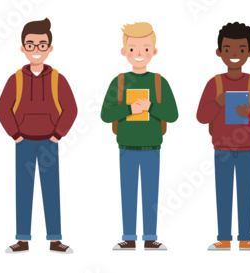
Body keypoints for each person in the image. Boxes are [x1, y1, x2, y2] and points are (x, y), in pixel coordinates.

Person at [0, 18, 78, 254]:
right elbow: (2, 109)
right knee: (23, 189)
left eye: (42, 45)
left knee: (51, 189)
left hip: (48, 143)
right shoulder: (15, 80)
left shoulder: (57, 79)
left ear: (49, 48)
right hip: (23, 142)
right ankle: (22, 239)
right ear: (23, 48)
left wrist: (57, 135)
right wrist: (15, 134)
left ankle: (55, 239)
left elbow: (71, 109)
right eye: (30, 45)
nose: (36, 50)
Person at [100, 22, 178, 251]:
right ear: (125, 52)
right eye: (133, 49)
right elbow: (106, 114)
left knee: (151, 194)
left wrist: (151, 106)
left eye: (145, 49)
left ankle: (150, 237)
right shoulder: (120, 82)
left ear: (153, 51)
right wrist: (129, 109)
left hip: (152, 146)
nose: (139, 54)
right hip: (126, 146)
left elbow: (173, 114)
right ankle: (129, 237)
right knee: (128, 192)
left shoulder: (158, 82)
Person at [198, 22, 250, 251]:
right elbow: (201, 116)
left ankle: (246, 238)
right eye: (228, 50)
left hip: (248, 147)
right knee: (223, 193)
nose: (234, 55)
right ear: (219, 52)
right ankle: (224, 238)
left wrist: (248, 112)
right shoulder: (215, 83)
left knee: (246, 193)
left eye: (241, 49)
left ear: (249, 52)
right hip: (222, 148)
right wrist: (218, 103)